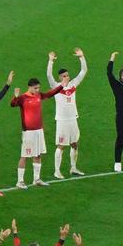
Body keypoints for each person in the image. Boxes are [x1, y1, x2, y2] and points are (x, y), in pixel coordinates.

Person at [9, 77, 63, 188]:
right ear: (29, 87)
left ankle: (36, 179)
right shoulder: (23, 98)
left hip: (39, 131)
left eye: (38, 88)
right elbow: (12, 104)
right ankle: (19, 181)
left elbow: (49, 94)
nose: (38, 90)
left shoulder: (38, 95)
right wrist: (15, 96)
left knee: (38, 155)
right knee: (25, 156)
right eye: (35, 88)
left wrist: (62, 86)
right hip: (28, 132)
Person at [43, 49, 87, 178]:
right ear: (60, 77)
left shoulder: (73, 85)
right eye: (64, 76)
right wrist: (50, 61)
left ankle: (73, 168)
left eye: (67, 75)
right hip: (62, 120)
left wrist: (81, 57)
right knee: (61, 145)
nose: (67, 77)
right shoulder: (56, 87)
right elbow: (48, 75)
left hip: (73, 119)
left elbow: (83, 71)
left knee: (74, 143)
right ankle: (57, 171)